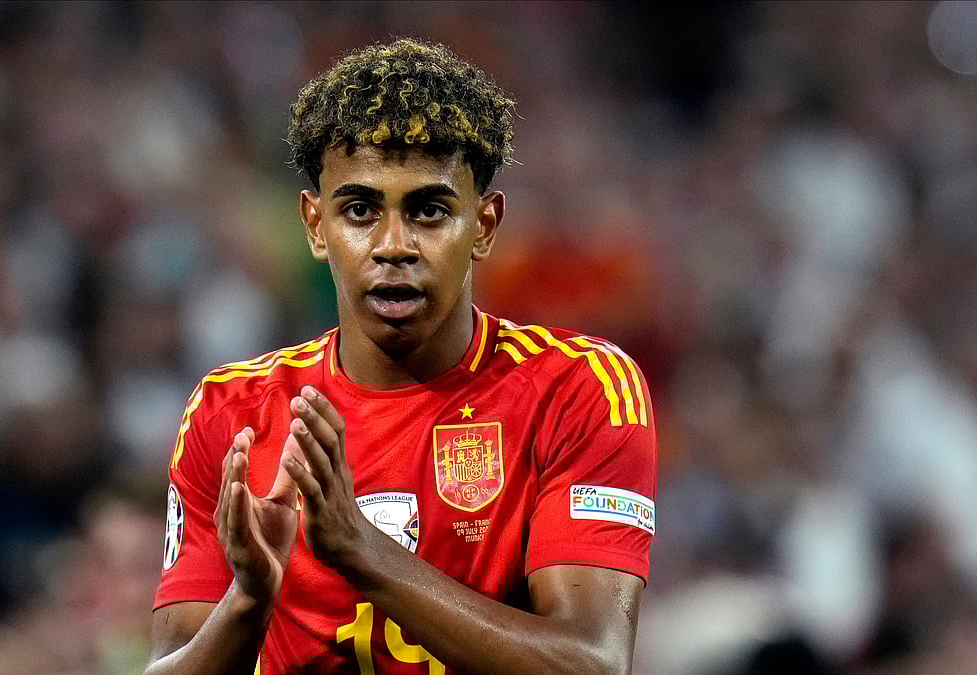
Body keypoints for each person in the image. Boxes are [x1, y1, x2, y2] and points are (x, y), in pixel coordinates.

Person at [147, 38, 656, 675]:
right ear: (314, 226)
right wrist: (249, 600)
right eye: (359, 209)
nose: (393, 245)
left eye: (429, 210)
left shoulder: (578, 389)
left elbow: (592, 663)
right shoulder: (231, 411)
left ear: (484, 226)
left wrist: (361, 551)